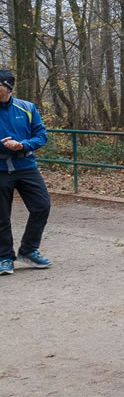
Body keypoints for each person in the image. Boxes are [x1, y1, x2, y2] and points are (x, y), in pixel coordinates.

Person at [0, 70, 52, 275]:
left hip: (26, 166)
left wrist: (22, 145)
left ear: (7, 87)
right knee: (2, 216)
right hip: (1, 169)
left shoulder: (27, 107)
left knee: (42, 206)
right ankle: (4, 257)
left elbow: (41, 135)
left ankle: (28, 250)